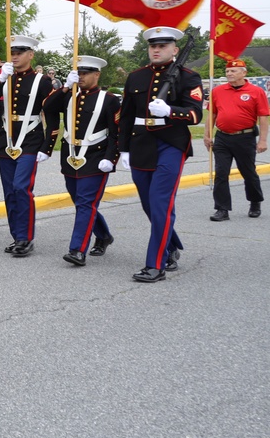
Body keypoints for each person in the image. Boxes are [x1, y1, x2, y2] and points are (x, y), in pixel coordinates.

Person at [118, 26, 204, 283]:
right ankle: (172, 244)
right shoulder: (136, 77)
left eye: (163, 46)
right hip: (141, 144)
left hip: (171, 144)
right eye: (153, 45)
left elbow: (195, 114)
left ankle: (156, 264)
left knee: (160, 203)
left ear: (174, 50)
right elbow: (125, 116)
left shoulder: (189, 77)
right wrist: (123, 148)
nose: (156, 49)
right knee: (149, 204)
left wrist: (169, 111)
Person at [41, 56, 120, 266]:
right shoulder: (70, 96)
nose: (82, 77)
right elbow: (48, 107)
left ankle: (77, 250)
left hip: (96, 157)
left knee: (85, 203)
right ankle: (103, 235)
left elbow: (116, 133)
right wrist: (65, 87)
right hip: (71, 156)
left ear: (97, 74)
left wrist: (111, 159)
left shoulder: (109, 99)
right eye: (79, 73)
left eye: (86, 73)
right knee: (82, 203)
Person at [0, 35, 57, 257]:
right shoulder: (6, 78)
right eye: (12, 53)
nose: (15, 56)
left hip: (30, 140)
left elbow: (53, 113)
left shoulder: (41, 81)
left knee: (21, 188)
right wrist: (0, 79)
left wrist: (47, 146)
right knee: (9, 192)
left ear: (31, 54)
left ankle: (26, 238)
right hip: (7, 139)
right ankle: (17, 236)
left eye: (20, 52)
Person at [204, 58, 269, 220]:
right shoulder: (217, 91)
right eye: (227, 71)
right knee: (221, 173)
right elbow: (211, 115)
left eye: (233, 71)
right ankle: (222, 209)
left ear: (244, 73)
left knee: (248, 173)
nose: (229, 73)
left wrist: (262, 140)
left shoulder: (256, 91)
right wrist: (207, 135)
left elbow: (263, 117)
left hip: (245, 138)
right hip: (222, 137)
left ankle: (255, 202)